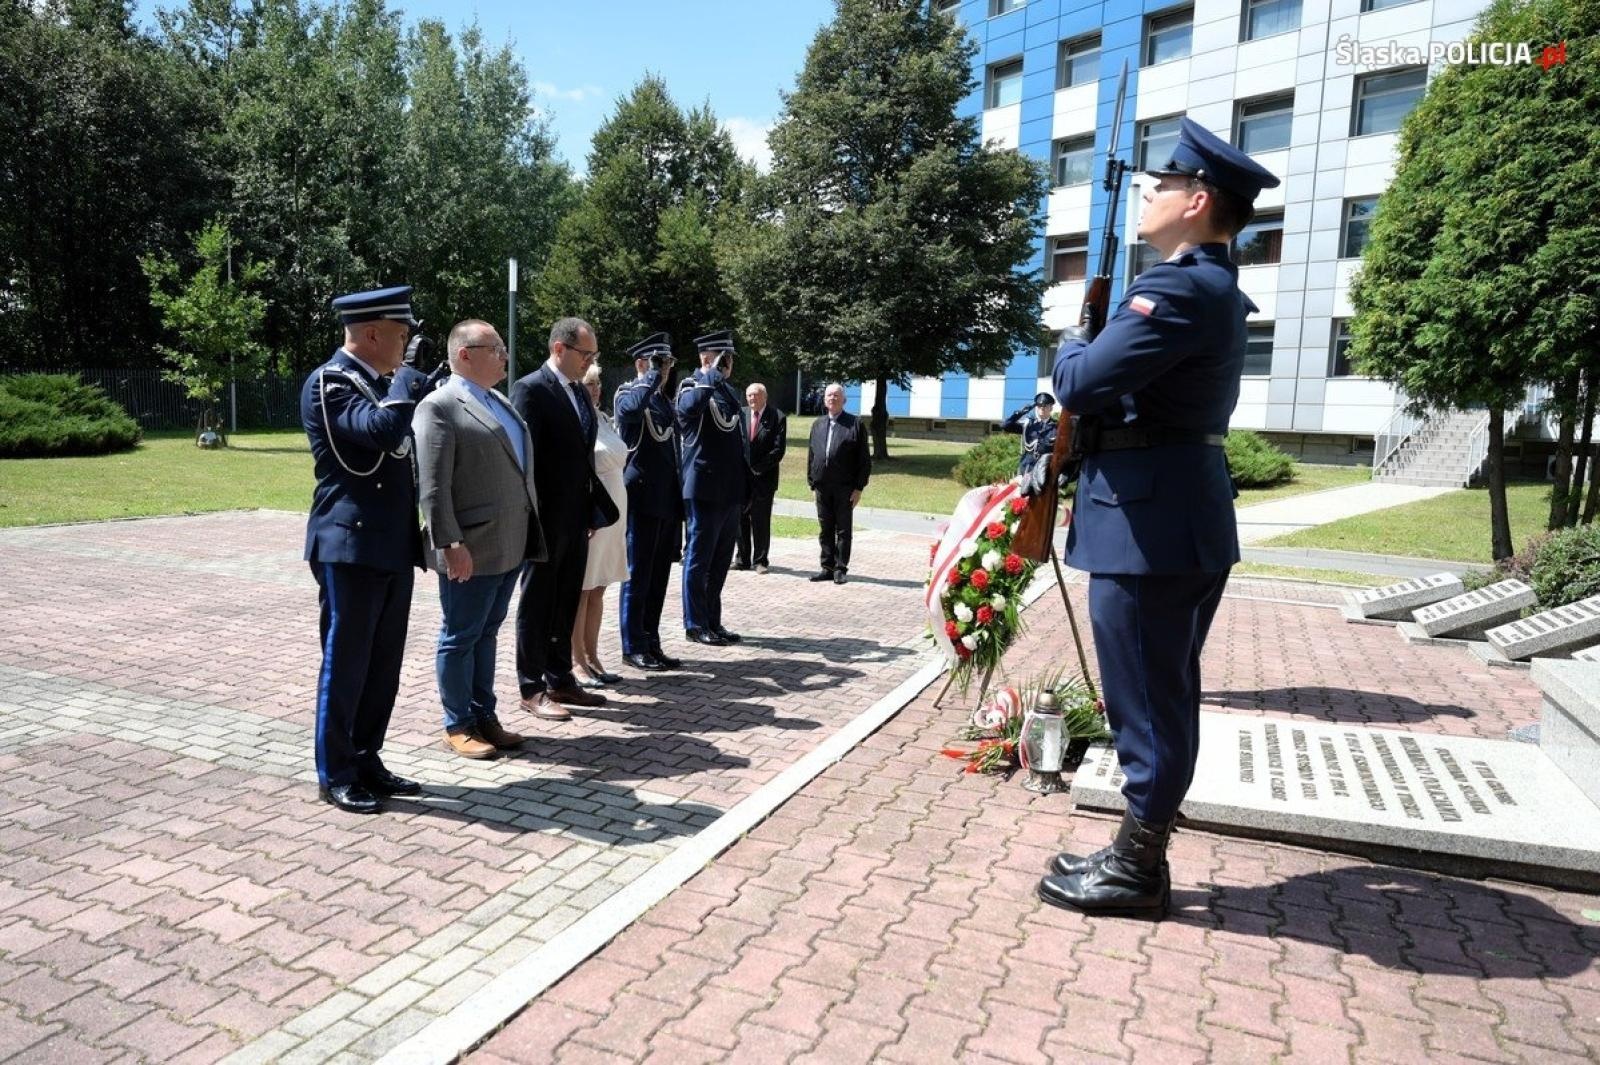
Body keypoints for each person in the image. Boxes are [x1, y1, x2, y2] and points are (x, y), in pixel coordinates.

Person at [1036, 117, 1281, 918]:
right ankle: (1135, 854)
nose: (1150, 194)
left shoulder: (1178, 289)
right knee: (1161, 695)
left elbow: (1080, 383)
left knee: (1147, 703)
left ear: (1198, 200)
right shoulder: (1209, 287)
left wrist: (1075, 338)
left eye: (1164, 184)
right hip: (1172, 517)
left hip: (1147, 528)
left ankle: (1137, 869)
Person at [301, 285, 441, 814]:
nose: (407, 346)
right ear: (373, 334)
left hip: (390, 543)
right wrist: (407, 381)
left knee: (383, 665)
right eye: (402, 336)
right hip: (350, 544)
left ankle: (366, 757)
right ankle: (336, 773)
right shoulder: (331, 383)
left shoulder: (380, 384)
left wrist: (413, 384)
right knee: (347, 662)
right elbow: (380, 433)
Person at [413, 319, 544, 762]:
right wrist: (450, 544)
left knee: (486, 633)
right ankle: (458, 725)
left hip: (508, 543)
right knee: (460, 636)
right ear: (465, 354)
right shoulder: (439, 406)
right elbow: (433, 487)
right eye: (496, 349)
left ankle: (484, 716)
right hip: (469, 547)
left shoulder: (498, 400)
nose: (505, 356)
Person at [510, 318, 619, 720]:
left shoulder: (577, 392)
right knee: (538, 601)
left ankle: (560, 678)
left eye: (593, 354)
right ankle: (531, 686)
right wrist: (533, 516)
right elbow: (525, 460)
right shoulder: (531, 389)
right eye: (584, 353)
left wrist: (589, 508)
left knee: (567, 598)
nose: (589, 361)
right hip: (544, 518)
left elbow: (582, 456)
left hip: (576, 516)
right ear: (559, 348)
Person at [615, 333, 684, 672]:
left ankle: (650, 640)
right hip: (642, 496)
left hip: (665, 497)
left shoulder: (662, 400)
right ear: (641, 363)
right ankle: (633, 646)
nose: (665, 369)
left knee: (658, 577)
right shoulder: (628, 392)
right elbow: (630, 412)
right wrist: (652, 376)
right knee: (638, 575)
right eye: (659, 362)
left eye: (668, 363)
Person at [676, 330, 749, 645]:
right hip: (704, 487)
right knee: (699, 558)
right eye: (724, 357)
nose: (729, 364)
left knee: (720, 560)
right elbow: (687, 410)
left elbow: (738, 438)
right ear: (707, 358)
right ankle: (695, 624)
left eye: (730, 358)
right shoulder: (691, 385)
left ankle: (712, 620)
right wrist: (710, 374)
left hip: (729, 488)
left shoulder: (727, 391)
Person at [572, 363, 630, 687]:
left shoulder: (603, 419)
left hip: (615, 515)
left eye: (597, 384)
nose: (595, 389)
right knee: (582, 589)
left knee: (599, 588)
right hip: (593, 516)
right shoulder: (577, 420)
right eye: (589, 383)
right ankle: (576, 661)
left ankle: (593, 656)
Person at [805, 383, 871, 585]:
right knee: (825, 528)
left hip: (845, 487)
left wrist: (859, 487)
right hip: (822, 486)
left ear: (844, 400)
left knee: (843, 530)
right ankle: (827, 567)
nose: (832, 398)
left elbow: (864, 459)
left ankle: (840, 568)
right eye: (829, 395)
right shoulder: (817, 424)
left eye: (836, 395)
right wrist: (812, 482)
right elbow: (812, 454)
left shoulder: (855, 424)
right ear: (824, 400)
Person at [736, 383, 786, 574]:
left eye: (755, 395)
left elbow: (778, 450)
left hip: (764, 478)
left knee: (761, 520)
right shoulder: (740, 414)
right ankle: (742, 559)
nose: (752, 398)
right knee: (740, 518)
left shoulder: (777, 417)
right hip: (741, 478)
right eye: (749, 395)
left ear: (765, 396)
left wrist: (757, 469)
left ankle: (760, 561)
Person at [1002, 392, 1058, 478]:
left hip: (1047, 469)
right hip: (1027, 468)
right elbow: (1006, 426)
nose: (1042, 408)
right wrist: (1020, 413)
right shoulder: (1028, 424)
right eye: (1039, 406)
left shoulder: (1056, 427)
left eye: (1045, 406)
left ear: (1051, 408)